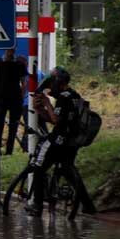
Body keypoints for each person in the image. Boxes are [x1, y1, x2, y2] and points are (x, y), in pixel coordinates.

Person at [25, 67, 94, 216]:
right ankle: (88, 205)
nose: (50, 88)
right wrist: (40, 111)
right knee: (69, 171)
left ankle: (37, 206)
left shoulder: (63, 98)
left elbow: (56, 120)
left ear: (58, 82)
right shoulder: (75, 96)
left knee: (38, 167)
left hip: (58, 141)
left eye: (51, 84)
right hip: (72, 142)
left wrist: (46, 103)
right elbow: (58, 120)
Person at [0, 50, 27, 155]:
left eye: (12, 50)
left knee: (13, 126)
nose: (11, 52)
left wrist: (22, 96)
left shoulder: (19, 64)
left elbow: (24, 82)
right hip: (1, 98)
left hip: (15, 98)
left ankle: (9, 151)